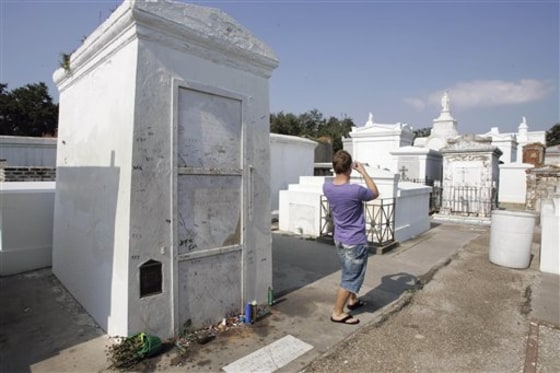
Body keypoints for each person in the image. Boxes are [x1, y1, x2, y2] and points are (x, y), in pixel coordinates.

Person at [323, 150, 379, 325]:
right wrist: (363, 171)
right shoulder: (355, 190)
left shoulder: (327, 186)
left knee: (348, 270)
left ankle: (352, 300)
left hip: (339, 237)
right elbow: (374, 192)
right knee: (351, 277)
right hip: (354, 240)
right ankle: (338, 312)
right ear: (349, 169)